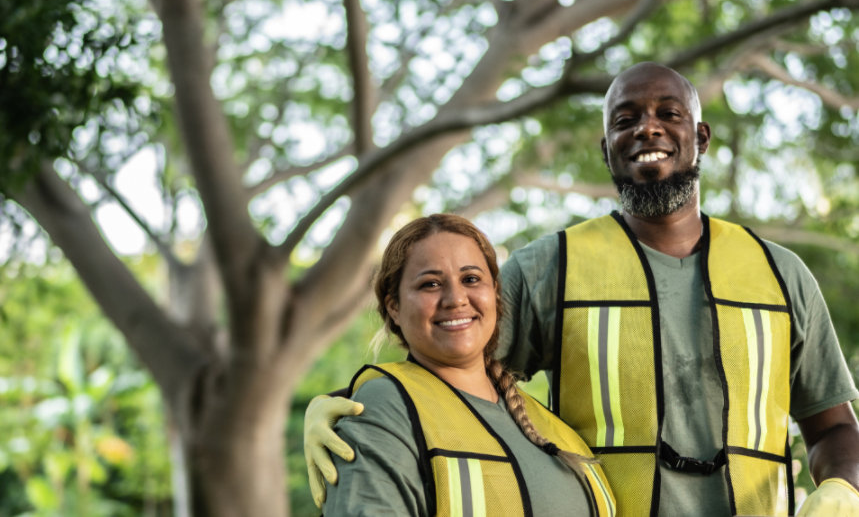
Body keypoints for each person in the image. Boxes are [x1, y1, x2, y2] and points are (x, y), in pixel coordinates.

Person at [305, 63, 859, 516]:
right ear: (606, 147)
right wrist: (357, 407)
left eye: (669, 113)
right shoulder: (549, 267)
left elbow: (833, 427)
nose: (648, 128)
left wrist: (844, 487)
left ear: (701, 137)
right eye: (626, 119)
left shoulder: (780, 273)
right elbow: (450, 367)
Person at [317, 213, 615, 516]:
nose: (456, 298)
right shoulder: (385, 405)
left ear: (495, 293)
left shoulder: (553, 428)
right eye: (430, 284)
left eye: (471, 279)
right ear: (394, 306)